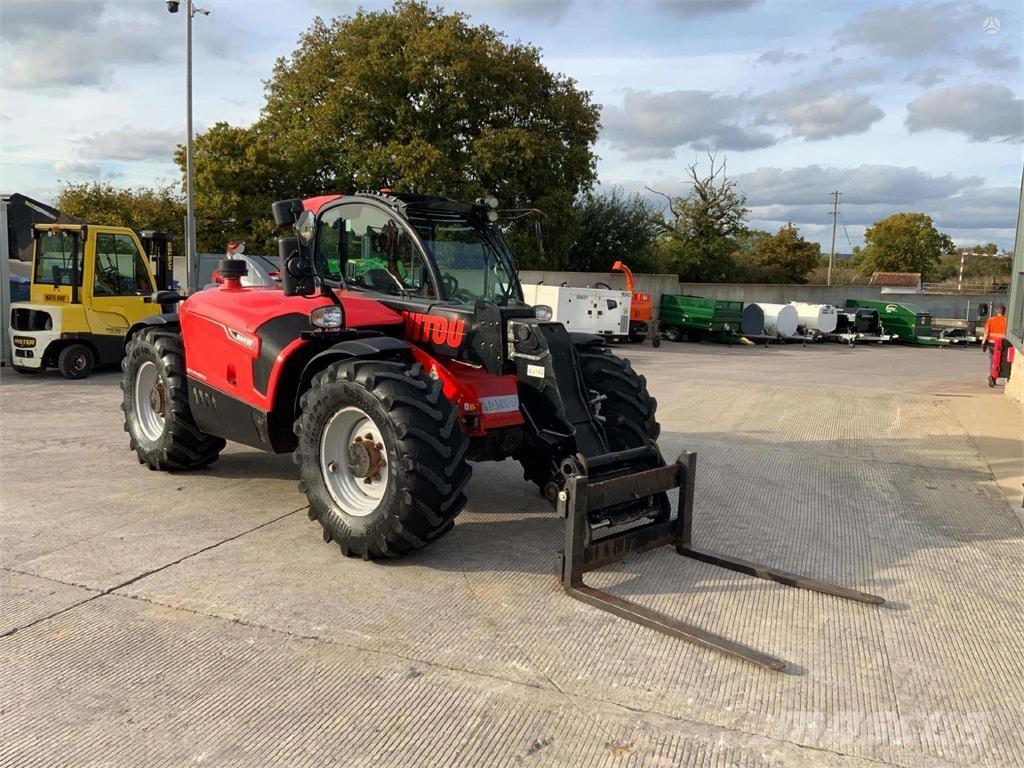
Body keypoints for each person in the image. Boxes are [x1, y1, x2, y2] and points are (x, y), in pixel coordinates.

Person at [981, 304, 1008, 386]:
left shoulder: (991, 320)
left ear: (997, 311)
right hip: (1004, 344)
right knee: (1001, 360)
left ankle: (993, 376)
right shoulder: (1007, 321)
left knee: (993, 360)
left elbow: (986, 332)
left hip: (992, 344)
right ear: (1004, 311)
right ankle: (994, 377)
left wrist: (983, 343)